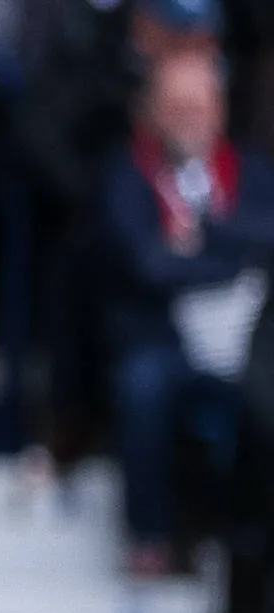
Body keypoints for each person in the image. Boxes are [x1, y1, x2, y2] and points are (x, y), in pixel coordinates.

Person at [100, 48, 274, 573]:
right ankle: (150, 537)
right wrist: (233, 255)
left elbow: (266, 242)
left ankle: (250, 544)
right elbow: (147, 265)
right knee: (143, 385)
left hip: (250, 344)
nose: (187, 116)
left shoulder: (254, 173)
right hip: (164, 342)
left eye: (197, 105)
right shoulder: (126, 176)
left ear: (219, 108)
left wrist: (202, 239)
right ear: (151, 110)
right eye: (175, 105)